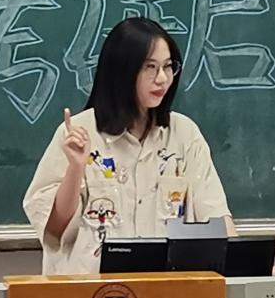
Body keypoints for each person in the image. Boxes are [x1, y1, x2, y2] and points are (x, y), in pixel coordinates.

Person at [22, 16, 233, 275]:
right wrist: (76, 169)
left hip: (167, 287)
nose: (162, 78)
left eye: (168, 67)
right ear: (122, 71)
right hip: (90, 288)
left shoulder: (184, 135)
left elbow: (216, 217)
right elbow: (54, 228)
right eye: (150, 67)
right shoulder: (78, 133)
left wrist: (246, 267)